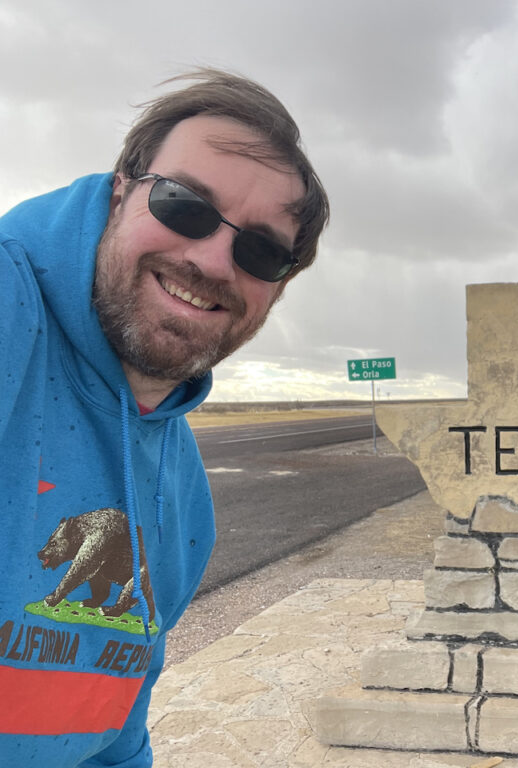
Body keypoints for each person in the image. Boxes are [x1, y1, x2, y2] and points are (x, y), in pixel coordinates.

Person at [0, 69, 329, 766]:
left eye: (262, 251)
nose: (211, 257)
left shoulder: (183, 511)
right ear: (124, 185)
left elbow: (110, 735)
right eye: (185, 205)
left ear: (277, 288)